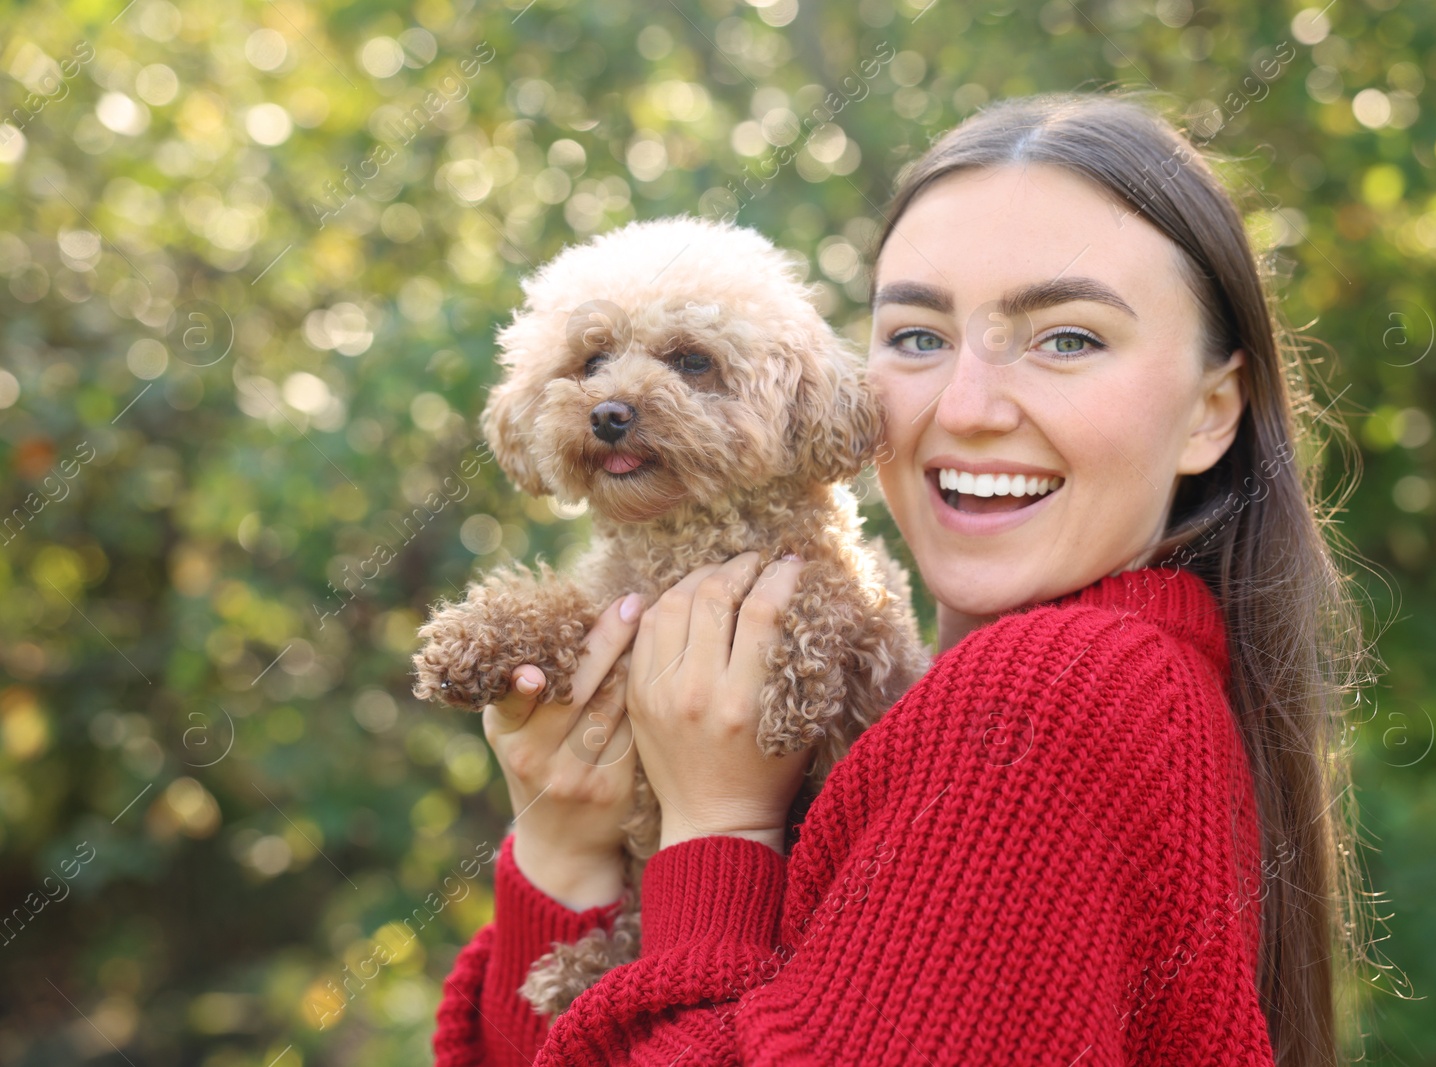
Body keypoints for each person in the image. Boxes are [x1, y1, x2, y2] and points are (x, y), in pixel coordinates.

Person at [432, 91, 1369, 1066]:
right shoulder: (1109, 696)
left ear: (1213, 411)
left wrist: (718, 826)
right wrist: (564, 854)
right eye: (918, 336)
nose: (965, 406)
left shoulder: (1051, 696)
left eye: (1068, 338)